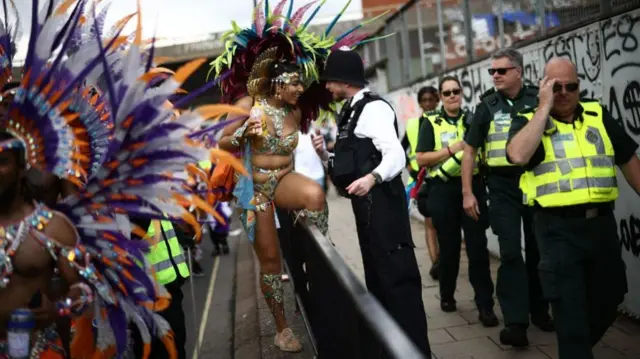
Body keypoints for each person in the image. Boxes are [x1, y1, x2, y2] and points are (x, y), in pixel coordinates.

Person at [210, 2, 373, 351]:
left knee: (314, 195)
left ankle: (316, 266)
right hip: (255, 187)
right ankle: (282, 327)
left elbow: (294, 151)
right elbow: (221, 141)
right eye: (295, 83)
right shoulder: (248, 105)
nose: (301, 89)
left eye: (301, 83)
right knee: (270, 261)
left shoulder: (296, 110)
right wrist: (242, 134)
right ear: (277, 83)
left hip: (284, 179)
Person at [506, 57, 640, 359]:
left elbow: (629, 161)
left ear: (580, 86)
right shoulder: (530, 120)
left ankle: (574, 349)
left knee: (611, 295)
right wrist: (543, 108)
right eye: (556, 87)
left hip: (601, 226)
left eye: (571, 86)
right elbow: (516, 155)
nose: (564, 92)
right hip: (557, 231)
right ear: (544, 87)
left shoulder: (596, 115)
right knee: (570, 313)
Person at [313, 48, 431, 357]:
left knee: (398, 285)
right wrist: (325, 155)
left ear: (343, 80)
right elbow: (350, 165)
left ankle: (414, 351)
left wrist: (373, 179)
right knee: (379, 284)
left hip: (385, 214)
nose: (326, 87)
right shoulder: (351, 110)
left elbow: (396, 154)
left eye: (329, 80)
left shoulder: (374, 109)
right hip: (367, 216)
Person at [461, 48, 552, 345]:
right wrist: (467, 193)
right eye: (492, 71)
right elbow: (470, 150)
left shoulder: (537, 99)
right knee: (510, 251)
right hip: (501, 187)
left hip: (536, 182)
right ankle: (516, 323)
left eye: (501, 70)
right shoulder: (487, 104)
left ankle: (540, 310)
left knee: (539, 251)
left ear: (518, 71)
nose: (496, 76)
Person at [414, 76, 498, 326]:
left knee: (477, 248)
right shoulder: (430, 121)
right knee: (449, 248)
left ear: (462, 93)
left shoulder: (473, 118)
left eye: (456, 92)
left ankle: (485, 305)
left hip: (472, 188)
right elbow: (421, 159)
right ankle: (447, 295)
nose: (452, 96)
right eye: (447, 93)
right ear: (441, 97)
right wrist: (454, 148)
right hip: (443, 190)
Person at [403, 86, 441, 280]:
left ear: (437, 100)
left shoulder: (446, 122)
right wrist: (411, 169)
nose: (427, 104)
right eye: (424, 100)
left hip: (443, 178)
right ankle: (436, 264)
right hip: (421, 182)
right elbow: (401, 150)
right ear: (419, 103)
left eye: (431, 100)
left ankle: (443, 260)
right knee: (430, 222)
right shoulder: (412, 126)